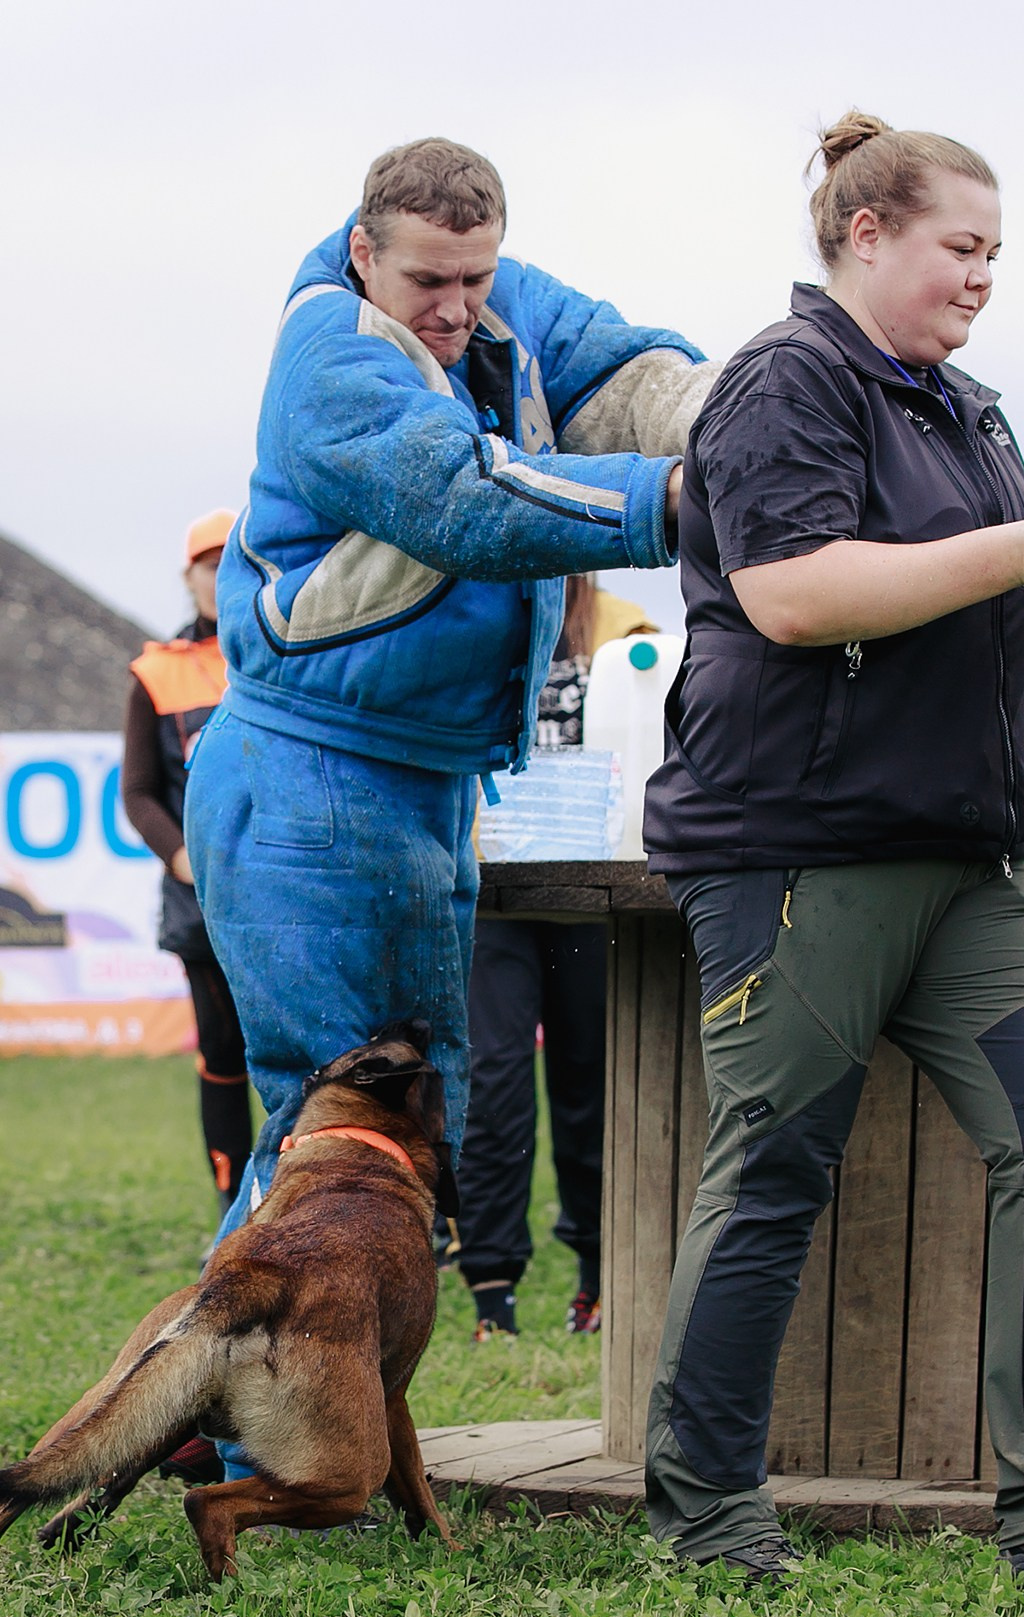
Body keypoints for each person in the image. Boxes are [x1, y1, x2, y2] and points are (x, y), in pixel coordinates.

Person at [638, 110, 1024, 1587]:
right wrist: (1018, 551)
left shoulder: (967, 408)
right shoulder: (783, 383)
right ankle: (707, 1506)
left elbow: (976, 601)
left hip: (976, 854)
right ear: (866, 234)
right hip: (799, 852)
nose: (981, 276)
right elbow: (791, 592)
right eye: (959, 247)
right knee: (776, 1164)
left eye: (994, 254)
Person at [184, 136, 708, 1268]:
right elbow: (463, 498)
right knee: (334, 1141)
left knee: (409, 1137)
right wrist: (678, 498)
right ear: (363, 252)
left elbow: (623, 374)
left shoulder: (493, 299)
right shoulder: (327, 361)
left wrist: (751, 424)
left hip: (420, 778)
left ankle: (266, 1425)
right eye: (428, 282)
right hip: (309, 781)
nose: (458, 308)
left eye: (476, 278)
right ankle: (254, 1442)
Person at [456, 575, 652, 1341]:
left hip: (590, 890)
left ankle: (599, 1280)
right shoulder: (479, 613)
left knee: (591, 1086)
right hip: (494, 890)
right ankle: (492, 1294)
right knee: (494, 1084)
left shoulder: (628, 629)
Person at [119, 509, 249, 1222]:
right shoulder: (157, 673)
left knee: (299, 1065)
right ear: (189, 575)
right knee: (224, 1055)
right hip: (202, 908)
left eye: (234, 558)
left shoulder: (286, 652)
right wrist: (181, 855)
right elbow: (138, 792)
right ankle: (232, 1215)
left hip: (286, 900)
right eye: (208, 562)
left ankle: (298, 1211)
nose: (220, 573)